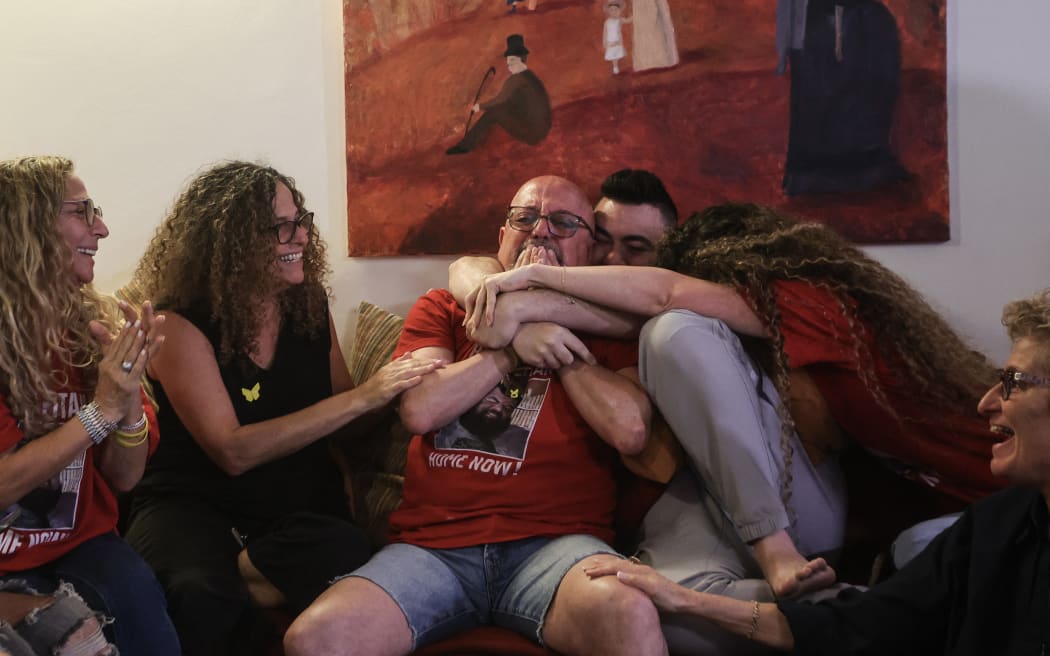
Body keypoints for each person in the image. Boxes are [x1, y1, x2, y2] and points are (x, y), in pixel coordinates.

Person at [463, 203, 1002, 653]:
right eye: (608, 243)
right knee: (650, 612)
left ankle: (827, 585)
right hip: (793, 525)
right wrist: (507, 297)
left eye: (637, 249)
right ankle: (850, 610)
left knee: (673, 329)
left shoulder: (804, 303)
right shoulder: (744, 333)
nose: (614, 263)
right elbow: (624, 310)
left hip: (977, 512)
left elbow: (664, 301)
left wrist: (531, 285)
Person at [284, 175, 666, 656]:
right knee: (315, 637)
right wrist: (509, 347)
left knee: (628, 613)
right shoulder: (442, 307)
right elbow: (420, 410)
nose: (541, 231)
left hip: (557, 548)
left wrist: (552, 334)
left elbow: (630, 430)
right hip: (433, 549)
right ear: (502, 236)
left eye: (564, 223)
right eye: (525, 218)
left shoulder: (608, 323)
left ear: (590, 248)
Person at [583, 288, 1050, 655]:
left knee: (671, 330)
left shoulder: (812, 310)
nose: (986, 402)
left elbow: (665, 297)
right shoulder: (994, 528)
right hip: (797, 569)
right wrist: (683, 600)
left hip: (819, 541)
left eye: (1012, 383)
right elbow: (868, 625)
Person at [123, 161, 442, 655]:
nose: (302, 237)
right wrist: (363, 396)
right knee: (196, 592)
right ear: (229, 242)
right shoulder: (175, 324)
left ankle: (237, 567)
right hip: (194, 503)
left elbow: (347, 422)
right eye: (282, 227)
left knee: (351, 553)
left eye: (302, 220)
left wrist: (404, 386)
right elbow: (232, 451)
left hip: (292, 508)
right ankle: (226, 571)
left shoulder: (308, 305)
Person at [0, 156, 179, 655]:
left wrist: (127, 403)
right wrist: (99, 410)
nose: (101, 228)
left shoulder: (92, 329)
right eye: (83, 211)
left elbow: (124, 478)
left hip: (81, 545)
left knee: (141, 606)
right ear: (27, 227)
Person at [446, 34, 552, 155]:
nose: (508, 64)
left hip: (532, 132)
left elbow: (500, 99)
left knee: (494, 112)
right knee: (503, 106)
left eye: (512, 60)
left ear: (521, 59)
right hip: (541, 129)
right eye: (508, 61)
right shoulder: (529, 76)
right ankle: (471, 142)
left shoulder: (517, 80)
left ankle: (465, 146)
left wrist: (479, 107)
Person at [603, 2, 632, 75]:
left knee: (620, 53)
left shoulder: (619, 20)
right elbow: (605, 33)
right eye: (611, 10)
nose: (613, 12)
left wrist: (633, 16)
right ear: (609, 12)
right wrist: (604, 42)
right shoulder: (607, 22)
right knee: (613, 56)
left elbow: (627, 20)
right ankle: (615, 67)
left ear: (619, 11)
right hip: (610, 42)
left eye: (616, 10)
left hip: (618, 41)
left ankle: (623, 66)